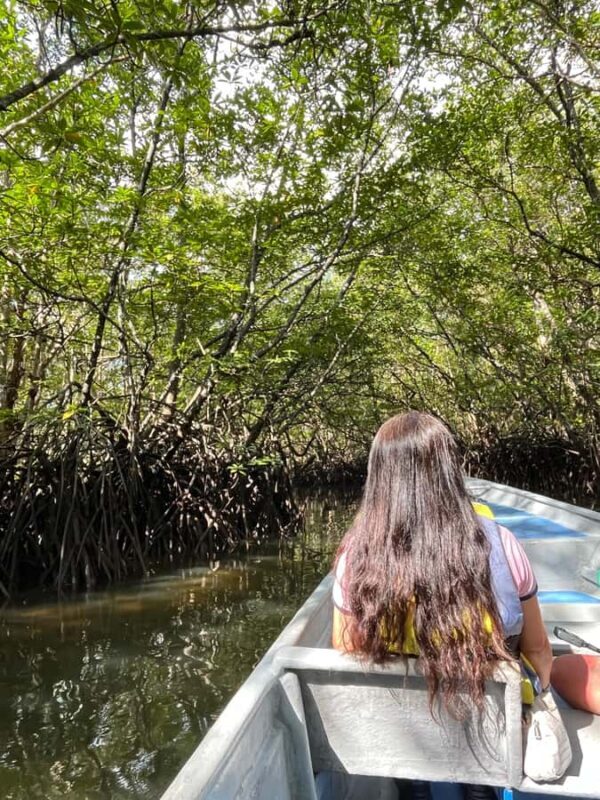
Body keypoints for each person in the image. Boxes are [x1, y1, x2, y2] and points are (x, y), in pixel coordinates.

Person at [331, 412, 553, 798]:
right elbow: (537, 650)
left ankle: (414, 789)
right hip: (489, 731)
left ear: (378, 476)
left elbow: (346, 649)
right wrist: (539, 693)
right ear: (451, 472)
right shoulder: (502, 544)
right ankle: (480, 789)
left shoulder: (355, 557)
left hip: (401, 733)